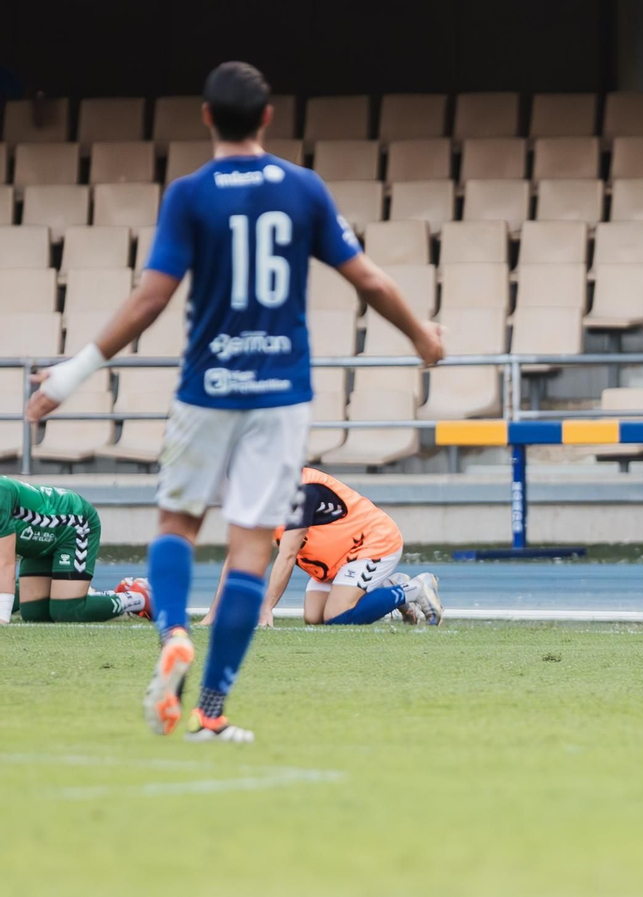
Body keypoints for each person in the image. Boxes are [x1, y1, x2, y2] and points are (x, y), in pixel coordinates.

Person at [25, 61, 445, 742]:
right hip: (279, 397)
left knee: (177, 526)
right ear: (269, 118)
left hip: (206, 387)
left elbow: (150, 299)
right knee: (252, 548)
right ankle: (212, 711)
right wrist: (424, 337)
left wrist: (72, 375)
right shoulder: (302, 189)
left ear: (206, 117)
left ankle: (170, 635)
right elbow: (366, 278)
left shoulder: (190, 195)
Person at [202, 468, 442, 628]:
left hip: (371, 543)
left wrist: (265, 609)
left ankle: (415, 588)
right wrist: (213, 614)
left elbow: (286, 555)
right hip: (335, 560)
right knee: (314, 618)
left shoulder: (301, 491)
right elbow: (237, 558)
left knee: (337, 617)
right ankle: (387, 588)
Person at [0, 477, 149, 624]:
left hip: (73, 525)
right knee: (36, 613)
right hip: (39, 542)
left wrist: (2, 617)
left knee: (67, 610)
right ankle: (99, 596)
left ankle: (141, 597)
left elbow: (5, 563)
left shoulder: (2, 493)